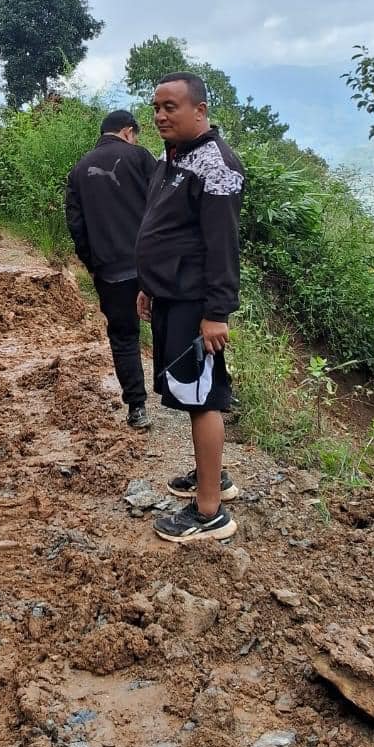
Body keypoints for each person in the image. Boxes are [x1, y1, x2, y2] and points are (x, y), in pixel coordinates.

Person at [135, 72, 244, 544]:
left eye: (171, 107)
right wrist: (150, 285)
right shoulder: (175, 157)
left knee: (203, 397)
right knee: (190, 392)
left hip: (196, 302)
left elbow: (222, 247)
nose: (160, 115)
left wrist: (216, 312)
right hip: (171, 295)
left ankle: (209, 514)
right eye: (156, 107)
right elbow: (167, 229)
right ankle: (212, 478)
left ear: (199, 110)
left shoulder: (216, 165)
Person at [65, 110, 158, 429]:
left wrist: (92, 264)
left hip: (110, 271)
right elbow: (163, 205)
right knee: (168, 326)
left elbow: (75, 225)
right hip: (152, 265)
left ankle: (137, 407)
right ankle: (188, 396)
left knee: (124, 336)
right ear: (128, 132)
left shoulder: (79, 170)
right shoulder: (141, 158)